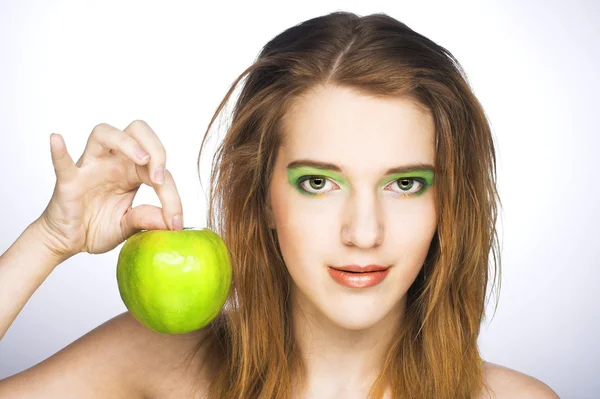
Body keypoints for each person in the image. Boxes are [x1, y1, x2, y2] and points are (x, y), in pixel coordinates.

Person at [0, 11, 560, 399]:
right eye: (319, 183)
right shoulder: (153, 359)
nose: (364, 233)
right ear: (260, 196)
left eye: (405, 184)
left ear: (450, 204)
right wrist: (48, 241)